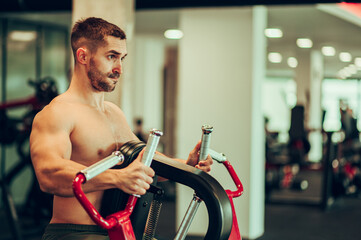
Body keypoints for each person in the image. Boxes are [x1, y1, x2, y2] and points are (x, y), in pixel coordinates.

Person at [29, 17, 213, 240]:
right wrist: (118, 178)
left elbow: (142, 162)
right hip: (75, 232)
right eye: (111, 57)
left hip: (118, 229)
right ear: (83, 56)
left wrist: (186, 165)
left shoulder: (113, 113)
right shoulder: (58, 113)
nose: (119, 69)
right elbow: (48, 176)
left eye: (122, 58)